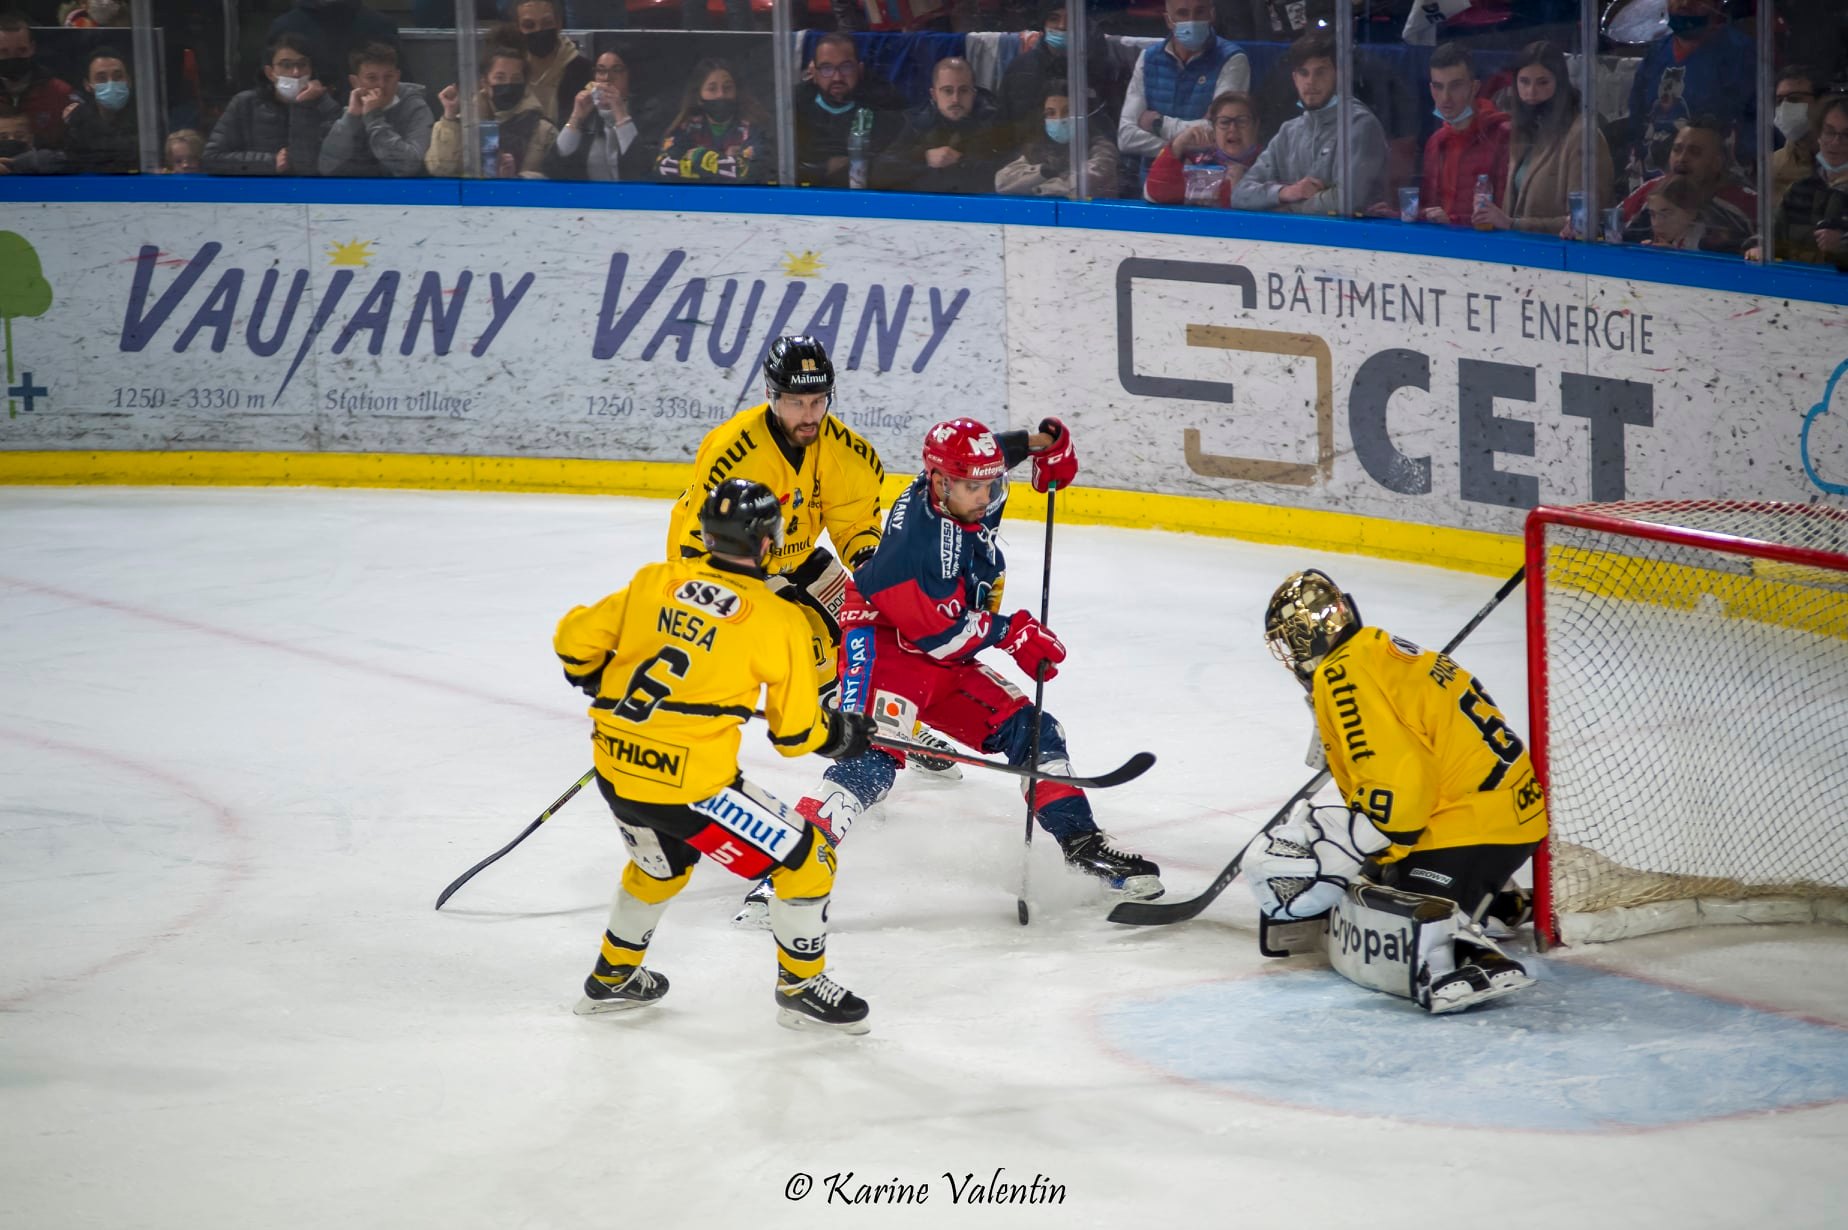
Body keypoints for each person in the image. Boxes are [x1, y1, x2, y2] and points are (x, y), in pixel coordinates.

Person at [732, 417, 1164, 929]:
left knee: (1033, 729)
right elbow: (942, 634)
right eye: (972, 486)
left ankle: (1082, 846)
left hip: (938, 649)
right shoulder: (919, 545)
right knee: (867, 763)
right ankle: (785, 872)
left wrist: (1038, 444)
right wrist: (1014, 633)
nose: (984, 495)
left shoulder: (955, 484)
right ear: (939, 482)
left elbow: (988, 455)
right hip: (887, 649)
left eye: (989, 483)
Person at [556, 478, 879, 1032]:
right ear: (768, 541)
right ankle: (800, 985)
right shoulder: (777, 620)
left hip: (616, 766)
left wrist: (594, 679)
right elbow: (796, 733)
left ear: (706, 533)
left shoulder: (655, 580)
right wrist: (845, 735)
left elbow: (571, 640)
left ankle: (613, 977)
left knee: (660, 866)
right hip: (692, 788)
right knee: (809, 859)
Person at [1249, 569, 1547, 1014]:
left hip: (1471, 824)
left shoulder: (1342, 674)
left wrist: (1355, 842)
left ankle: (1465, 956)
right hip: (1504, 816)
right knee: (1375, 874)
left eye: (1292, 640)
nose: (1291, 655)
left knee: (1380, 904)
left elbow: (1403, 787)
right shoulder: (1371, 650)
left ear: (1311, 634)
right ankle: (1496, 899)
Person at [1229, 30, 1387, 216]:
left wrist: (1286, 208)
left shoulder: (1359, 125)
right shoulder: (1289, 131)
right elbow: (1240, 195)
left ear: (1340, 75)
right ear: (1294, 78)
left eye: (1320, 72)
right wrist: (1286, 192)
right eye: (1304, 73)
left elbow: (1348, 201)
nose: (1310, 82)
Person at [1473, 40, 1610, 237]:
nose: (1531, 93)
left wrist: (1514, 224)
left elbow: (1586, 221)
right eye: (1524, 82)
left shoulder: (1582, 136)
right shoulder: (1520, 131)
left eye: (1543, 82)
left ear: (1560, 83)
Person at [1116, 0, 1249, 188]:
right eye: (1183, 13)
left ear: (1212, 15)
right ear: (1168, 20)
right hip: (1154, 181)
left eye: (1200, 12)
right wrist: (1176, 148)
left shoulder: (1233, 59)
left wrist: (1158, 124)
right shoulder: (1148, 59)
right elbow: (1126, 137)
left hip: (1209, 182)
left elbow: (1220, 132)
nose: (1192, 21)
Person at [1624, 0, 1754, 183]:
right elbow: (1636, 120)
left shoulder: (1740, 54)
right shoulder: (1656, 53)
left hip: (1711, 190)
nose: (1685, 3)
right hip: (1654, 188)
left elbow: (1754, 129)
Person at [204, 35, 339, 177]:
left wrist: (304, 106)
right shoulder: (245, 104)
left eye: (302, 64)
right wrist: (269, 162)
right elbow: (212, 158)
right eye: (286, 65)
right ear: (270, 73)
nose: (296, 73)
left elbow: (329, 164)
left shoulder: (326, 106)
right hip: (258, 193)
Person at [875, 57, 1010, 196]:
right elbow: (879, 173)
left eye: (963, 90)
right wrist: (923, 157)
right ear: (934, 95)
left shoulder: (993, 122)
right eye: (947, 91)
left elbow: (1007, 175)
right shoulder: (917, 122)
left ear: (973, 93)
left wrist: (961, 162)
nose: (955, 99)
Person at [1614, 118, 1753, 253]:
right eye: (1677, 149)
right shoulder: (1653, 189)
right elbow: (1610, 228)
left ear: (1717, 163)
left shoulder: (1745, 203)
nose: (1681, 158)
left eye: (1695, 152)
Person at [793, 32, 907, 190]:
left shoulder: (884, 102)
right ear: (814, 72)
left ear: (859, 69)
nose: (837, 77)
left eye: (846, 67)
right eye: (827, 68)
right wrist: (823, 168)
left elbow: (896, 162)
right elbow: (776, 163)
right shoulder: (794, 104)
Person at [1415, 43, 1510, 227]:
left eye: (1455, 86)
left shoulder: (1502, 136)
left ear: (1474, 87)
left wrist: (1452, 221)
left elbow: (1506, 212)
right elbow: (1429, 208)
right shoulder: (1435, 142)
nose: (1445, 98)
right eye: (1438, 87)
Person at [427, 46, 557, 179]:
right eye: (500, 78)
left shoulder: (544, 130)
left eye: (516, 79)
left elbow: (555, 177)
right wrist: (450, 114)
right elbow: (440, 169)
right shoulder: (463, 124)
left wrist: (517, 179)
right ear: (485, 82)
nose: (508, 84)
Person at [1751, 94, 1848, 270]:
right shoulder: (1798, 190)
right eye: (1829, 131)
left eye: (1846, 135)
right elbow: (1770, 238)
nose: (1836, 142)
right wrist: (1759, 248)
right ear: (1818, 135)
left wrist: (1842, 245)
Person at [318, 42, 432, 177]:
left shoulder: (415, 108)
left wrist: (374, 118)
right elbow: (326, 167)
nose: (381, 85)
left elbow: (410, 166)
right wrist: (351, 118)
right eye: (372, 78)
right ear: (355, 82)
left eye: (388, 77)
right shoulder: (349, 111)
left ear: (398, 76)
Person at [994, 77, 1118, 198]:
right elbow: (1002, 182)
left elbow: (1081, 184)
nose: (1058, 119)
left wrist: (1037, 188)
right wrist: (1044, 171)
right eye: (1051, 113)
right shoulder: (1037, 148)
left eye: (1067, 111)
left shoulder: (1101, 148)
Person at [655, 58, 770, 184]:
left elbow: (751, 173)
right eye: (712, 89)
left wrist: (700, 156)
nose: (721, 94)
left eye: (727, 88)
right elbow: (663, 168)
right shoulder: (686, 127)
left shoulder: (754, 128)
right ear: (699, 96)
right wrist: (726, 164)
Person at [544, 46, 650, 182]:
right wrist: (576, 118)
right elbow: (553, 168)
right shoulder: (587, 114)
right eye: (601, 71)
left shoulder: (649, 113)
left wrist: (620, 114)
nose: (607, 78)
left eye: (616, 70)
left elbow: (643, 169)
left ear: (631, 75)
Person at [1141, 88, 1259, 206]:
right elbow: (1156, 192)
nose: (1233, 128)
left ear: (1255, 126)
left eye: (1242, 121)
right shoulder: (1197, 162)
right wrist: (1178, 144)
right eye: (1224, 122)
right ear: (1214, 128)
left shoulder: (1269, 162)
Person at [264, 0, 399, 97]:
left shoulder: (379, 25)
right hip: (304, 116)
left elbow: (401, 81)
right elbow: (267, 85)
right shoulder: (285, 26)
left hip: (368, 117)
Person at [0, 12, 76, 150]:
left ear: (32, 48)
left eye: (21, 50)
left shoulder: (60, 92)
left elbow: (74, 148)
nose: (13, 57)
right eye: (4, 52)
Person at [510, 0, 590, 128]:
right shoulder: (509, 70)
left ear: (559, 24)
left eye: (546, 24)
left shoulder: (582, 70)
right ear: (517, 28)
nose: (538, 30)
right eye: (529, 25)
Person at [62, 46, 138, 174]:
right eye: (101, 78)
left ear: (129, 80)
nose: (111, 83)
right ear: (88, 85)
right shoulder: (78, 119)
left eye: (118, 76)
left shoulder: (145, 115)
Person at [1771, 66, 1825, 214]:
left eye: (1794, 99)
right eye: (1779, 101)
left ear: (1820, 102)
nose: (1784, 107)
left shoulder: (1841, 158)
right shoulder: (1771, 167)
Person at [0, 98, 66, 173]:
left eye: (19, 136)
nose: (11, 139)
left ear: (31, 140)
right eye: (3, 137)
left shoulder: (46, 161)